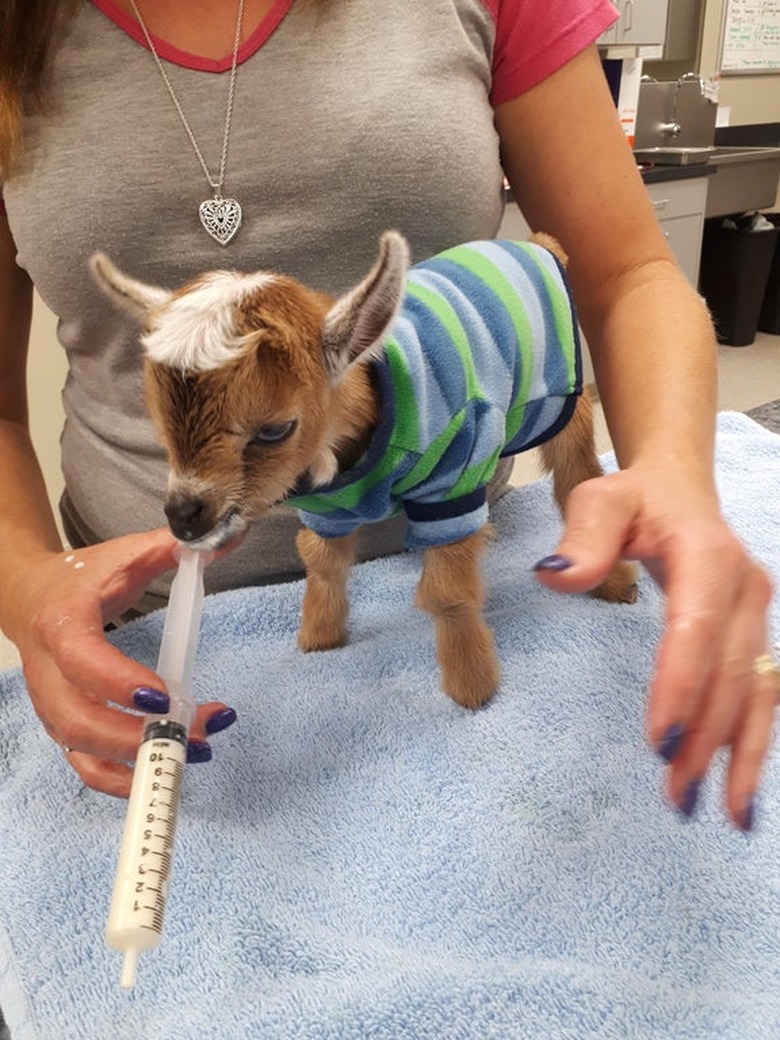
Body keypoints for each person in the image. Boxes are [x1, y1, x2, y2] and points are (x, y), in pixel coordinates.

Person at [0, 0, 775, 827]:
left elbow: (625, 276)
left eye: (267, 434)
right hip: (145, 629)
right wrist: (24, 583)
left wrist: (675, 474)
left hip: (493, 569)